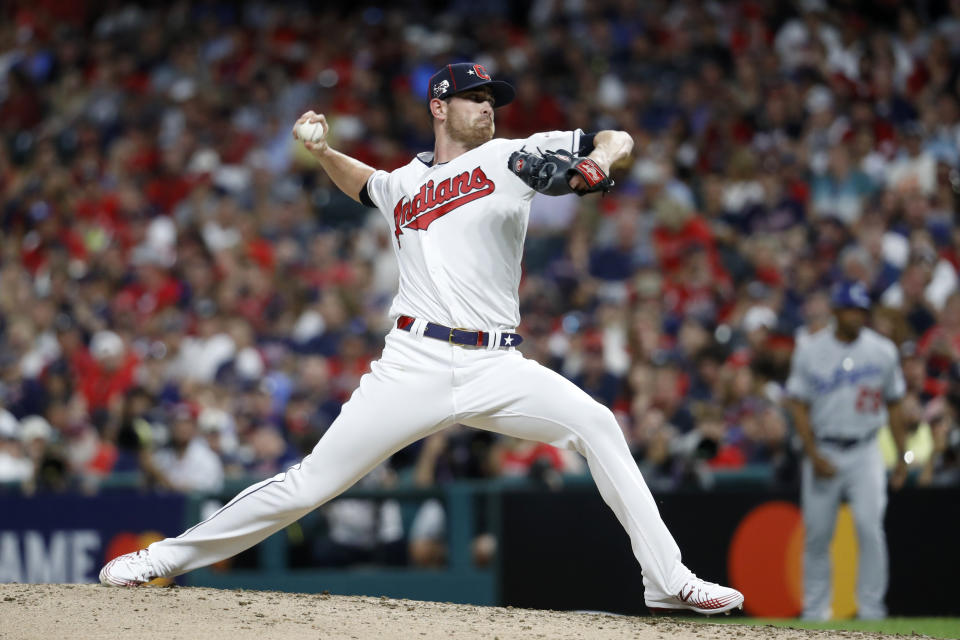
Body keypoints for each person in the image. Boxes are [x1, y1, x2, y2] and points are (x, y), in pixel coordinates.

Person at [99, 62, 744, 615]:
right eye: (477, 98)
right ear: (440, 106)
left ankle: (668, 581)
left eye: (493, 100)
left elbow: (616, 135)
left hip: (498, 362)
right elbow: (366, 185)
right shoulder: (403, 183)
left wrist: (600, 158)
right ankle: (161, 559)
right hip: (413, 361)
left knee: (597, 424)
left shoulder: (509, 156)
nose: (489, 108)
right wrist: (323, 153)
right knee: (309, 484)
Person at [786, 281, 907, 620]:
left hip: (866, 449)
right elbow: (797, 405)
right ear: (836, 311)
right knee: (818, 533)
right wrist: (812, 453)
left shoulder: (882, 350)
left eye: (861, 310)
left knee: (870, 528)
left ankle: (871, 610)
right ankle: (814, 612)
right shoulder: (810, 349)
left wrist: (901, 456)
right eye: (850, 309)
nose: (857, 315)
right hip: (824, 448)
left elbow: (895, 405)